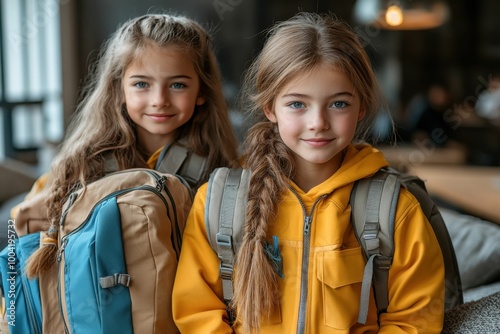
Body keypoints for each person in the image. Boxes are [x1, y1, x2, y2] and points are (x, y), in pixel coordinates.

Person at [172, 12, 445, 333]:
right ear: (270, 107)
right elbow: (197, 313)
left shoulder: (394, 209)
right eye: (298, 104)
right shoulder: (221, 204)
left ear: (361, 107)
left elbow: (415, 320)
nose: (318, 122)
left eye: (338, 104)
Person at [12, 13, 239, 277]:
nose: (159, 100)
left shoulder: (222, 173)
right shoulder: (80, 166)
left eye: (177, 85)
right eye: (141, 84)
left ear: (201, 91)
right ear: (119, 89)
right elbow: (23, 242)